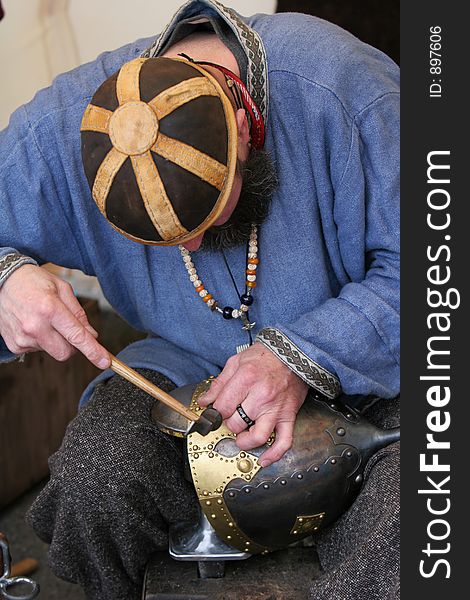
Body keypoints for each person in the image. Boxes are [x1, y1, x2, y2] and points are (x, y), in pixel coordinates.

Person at [0, 1, 400, 599]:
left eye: (209, 219)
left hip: (367, 379)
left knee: (414, 530)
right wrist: (7, 279)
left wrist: (302, 353)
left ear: (244, 126)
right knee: (96, 478)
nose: (189, 244)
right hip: (186, 369)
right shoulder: (61, 131)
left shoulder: (347, 91)